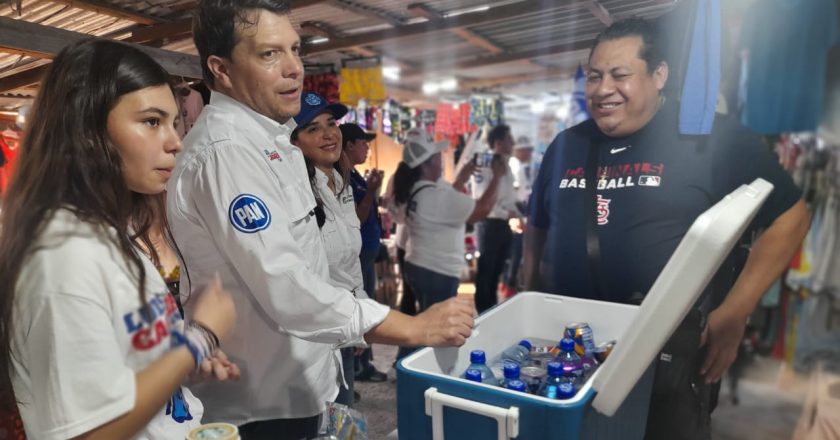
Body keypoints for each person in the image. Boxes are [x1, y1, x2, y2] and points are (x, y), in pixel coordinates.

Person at [168, 2, 475, 439]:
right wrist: (410, 325)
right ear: (221, 68)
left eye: (295, 50)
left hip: (304, 381)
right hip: (263, 402)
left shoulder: (272, 140)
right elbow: (284, 283)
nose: (294, 68)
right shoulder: (226, 151)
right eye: (269, 54)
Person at [522, 18, 810, 440]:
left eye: (620, 75)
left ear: (659, 76)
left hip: (667, 361)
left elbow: (792, 215)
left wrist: (736, 310)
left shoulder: (708, 137)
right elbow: (537, 228)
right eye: (595, 76)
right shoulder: (566, 144)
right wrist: (527, 293)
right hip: (569, 353)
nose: (603, 89)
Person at [0, 39, 238, 440]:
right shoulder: (63, 255)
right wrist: (198, 339)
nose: (175, 141)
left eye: (174, 123)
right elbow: (89, 430)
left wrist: (180, 359)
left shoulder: (110, 232)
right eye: (151, 121)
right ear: (89, 131)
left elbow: (118, 367)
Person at [289, 91, 360, 407]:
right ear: (294, 142)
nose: (328, 133)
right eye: (312, 128)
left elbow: (350, 261)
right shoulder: (296, 194)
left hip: (346, 320)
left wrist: (361, 314)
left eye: (331, 123)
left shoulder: (341, 183)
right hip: (316, 334)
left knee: (343, 413)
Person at [393, 127, 506, 315]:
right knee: (435, 329)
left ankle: (411, 346)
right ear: (426, 165)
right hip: (437, 272)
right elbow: (481, 210)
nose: (441, 160)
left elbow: (446, 203)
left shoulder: (419, 189)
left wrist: (462, 178)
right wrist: (498, 178)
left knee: (423, 324)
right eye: (437, 156)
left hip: (419, 264)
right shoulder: (435, 196)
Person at [339, 122, 388, 383]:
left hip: (366, 254)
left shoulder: (354, 175)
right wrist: (371, 191)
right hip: (357, 258)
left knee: (366, 307)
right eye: (362, 143)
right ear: (348, 145)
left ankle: (361, 364)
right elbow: (356, 217)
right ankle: (357, 367)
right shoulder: (343, 177)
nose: (367, 148)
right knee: (359, 310)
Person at [472, 124, 521, 313]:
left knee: (497, 271)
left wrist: (517, 213)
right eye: (509, 139)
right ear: (498, 142)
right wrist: (506, 213)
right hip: (488, 223)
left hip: (503, 224)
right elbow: (483, 199)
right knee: (486, 271)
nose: (513, 143)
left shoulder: (506, 163)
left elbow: (508, 197)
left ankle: (491, 308)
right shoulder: (485, 163)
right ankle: (484, 311)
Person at [501, 137, 535, 297]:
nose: (529, 153)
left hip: (520, 210)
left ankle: (509, 282)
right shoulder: (514, 166)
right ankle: (509, 284)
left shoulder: (521, 166)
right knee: (515, 249)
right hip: (515, 211)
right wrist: (518, 214)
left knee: (517, 249)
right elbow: (513, 194)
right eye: (527, 149)